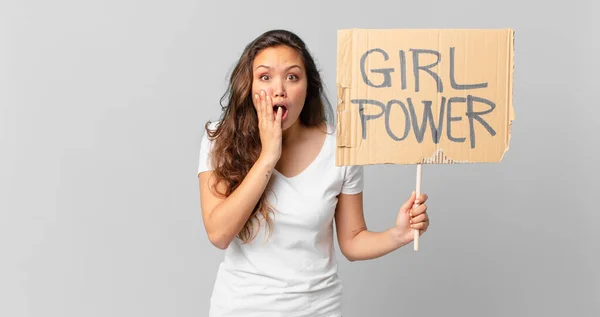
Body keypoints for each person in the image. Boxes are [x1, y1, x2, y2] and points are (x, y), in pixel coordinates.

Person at [197, 29, 430, 317]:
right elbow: (218, 233)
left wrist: (398, 234)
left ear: (307, 89)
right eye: (265, 77)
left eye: (292, 77)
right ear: (249, 85)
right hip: (240, 308)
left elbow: (353, 240)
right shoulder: (219, 139)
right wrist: (269, 155)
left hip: (317, 310)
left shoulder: (340, 149)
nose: (279, 89)